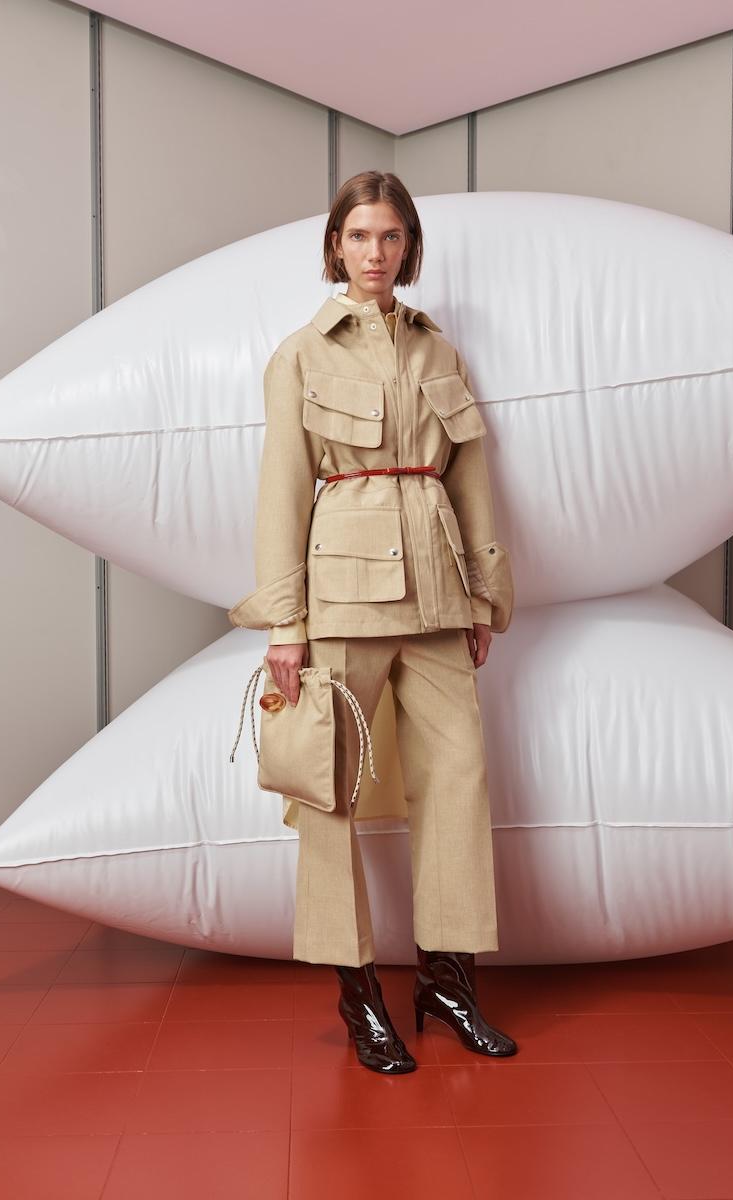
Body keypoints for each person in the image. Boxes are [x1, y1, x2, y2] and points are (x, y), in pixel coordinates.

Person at [227, 170, 517, 1074]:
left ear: (409, 246)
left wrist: (482, 595)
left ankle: (448, 984)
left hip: (436, 592)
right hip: (344, 593)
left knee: (459, 780)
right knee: (330, 791)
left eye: (391, 236)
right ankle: (360, 999)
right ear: (335, 246)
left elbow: (470, 479)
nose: (376, 253)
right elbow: (282, 493)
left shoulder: (439, 350)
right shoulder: (300, 356)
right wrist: (285, 624)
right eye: (359, 236)